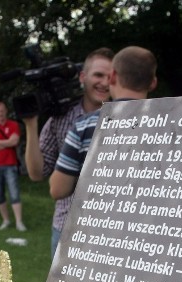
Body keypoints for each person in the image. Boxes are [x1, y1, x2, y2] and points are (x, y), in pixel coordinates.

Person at [22, 48, 113, 256]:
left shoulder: (131, 116)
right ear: (83, 77)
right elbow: (37, 173)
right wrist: (30, 125)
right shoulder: (60, 117)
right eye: (98, 75)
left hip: (113, 229)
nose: (104, 83)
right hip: (68, 226)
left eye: (110, 76)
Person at [49, 46, 157, 220]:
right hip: (147, 230)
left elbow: (58, 189)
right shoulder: (175, 127)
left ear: (112, 77)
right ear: (153, 82)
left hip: (97, 232)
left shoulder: (85, 126)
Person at [0, 101, 26, 231]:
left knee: (14, 193)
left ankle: (19, 222)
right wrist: (6, 143)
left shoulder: (13, 125)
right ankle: (6, 220)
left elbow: (14, 141)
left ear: (6, 111)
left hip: (10, 164)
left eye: (2, 111)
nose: (0, 114)